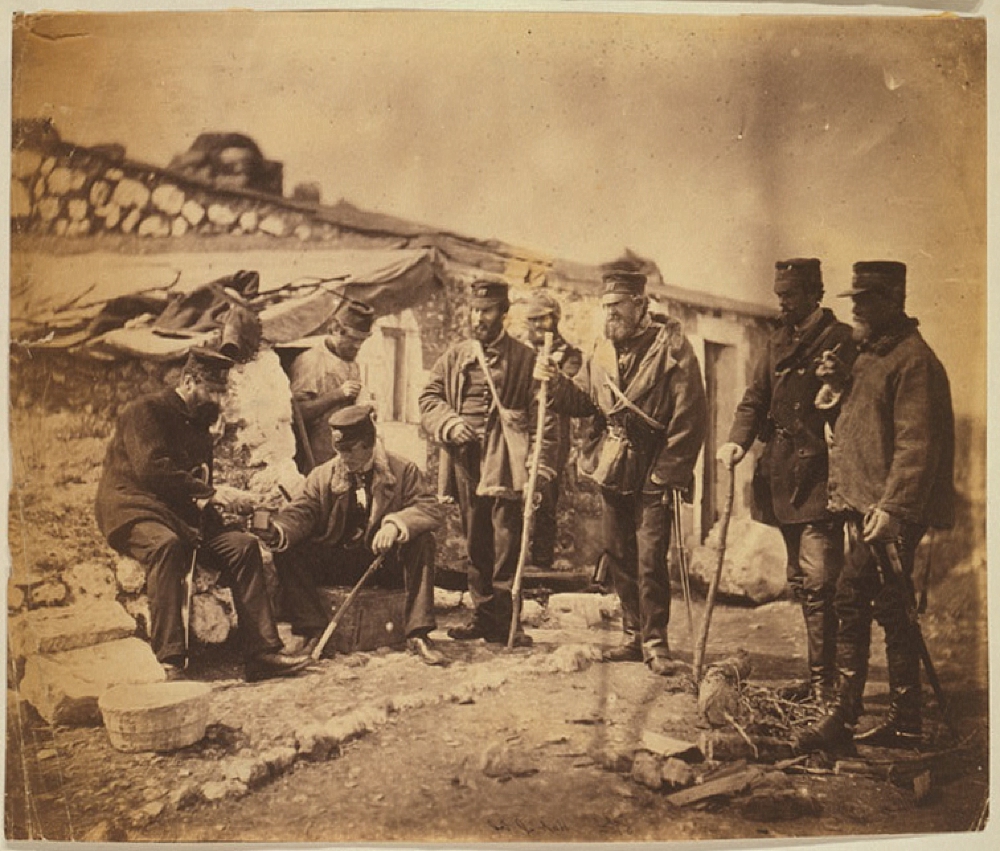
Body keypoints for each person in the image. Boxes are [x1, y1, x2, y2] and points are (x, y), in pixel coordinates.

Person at [795, 260, 955, 752]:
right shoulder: (871, 355)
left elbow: (916, 446)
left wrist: (892, 510)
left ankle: (841, 719)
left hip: (890, 512)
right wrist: (833, 389)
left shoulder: (914, 362)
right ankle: (906, 723)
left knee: (850, 596)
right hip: (864, 506)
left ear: (892, 303)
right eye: (855, 300)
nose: (857, 309)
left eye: (865, 300)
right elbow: (857, 417)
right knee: (890, 606)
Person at [95, 348, 312, 682]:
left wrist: (224, 508)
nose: (217, 399)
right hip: (134, 507)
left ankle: (262, 653)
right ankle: (170, 661)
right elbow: (152, 470)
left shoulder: (200, 427)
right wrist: (211, 493)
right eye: (211, 390)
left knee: (242, 546)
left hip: (178, 514)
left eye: (221, 391)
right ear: (187, 380)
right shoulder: (145, 411)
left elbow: (196, 484)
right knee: (167, 547)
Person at [535, 267, 707, 675]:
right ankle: (632, 636)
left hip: (655, 464)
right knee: (619, 552)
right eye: (606, 306)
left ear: (640, 305)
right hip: (615, 463)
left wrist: (669, 472)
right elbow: (585, 401)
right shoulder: (602, 350)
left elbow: (691, 416)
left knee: (650, 557)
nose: (610, 314)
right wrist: (554, 383)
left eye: (618, 306)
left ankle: (656, 641)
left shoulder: (673, 348)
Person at [717, 258, 855, 705]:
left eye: (790, 296)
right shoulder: (778, 340)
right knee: (801, 580)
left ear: (816, 293)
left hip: (819, 475)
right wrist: (737, 442)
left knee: (819, 584)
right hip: (782, 474)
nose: (782, 304)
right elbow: (754, 399)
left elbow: (852, 406)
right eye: (779, 296)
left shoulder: (841, 341)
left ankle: (826, 686)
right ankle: (819, 679)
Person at [419, 279, 551, 647]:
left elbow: (542, 412)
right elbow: (429, 396)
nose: (479, 317)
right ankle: (483, 615)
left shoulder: (525, 359)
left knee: (507, 541)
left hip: (507, 459)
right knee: (476, 541)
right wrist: (450, 422)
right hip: (466, 459)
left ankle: (509, 623)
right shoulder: (457, 355)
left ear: (504, 314)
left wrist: (538, 466)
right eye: (475, 310)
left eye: (488, 310)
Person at [260, 405, 446, 666]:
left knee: (423, 541)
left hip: (385, 563)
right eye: (338, 449)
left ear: (368, 444)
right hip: (341, 562)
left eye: (349, 450)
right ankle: (314, 631)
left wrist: (396, 525)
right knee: (289, 548)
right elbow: (303, 511)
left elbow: (429, 508)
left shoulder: (404, 470)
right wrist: (278, 530)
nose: (342, 457)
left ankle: (418, 634)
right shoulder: (324, 475)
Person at [521, 290, 583, 571]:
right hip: (522, 432)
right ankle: (514, 560)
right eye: (531, 321)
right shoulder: (521, 353)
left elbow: (568, 391)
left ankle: (542, 560)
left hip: (553, 437)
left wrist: (551, 373)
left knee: (545, 496)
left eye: (542, 320)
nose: (536, 327)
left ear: (554, 319)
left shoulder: (570, 355)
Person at [289, 299, 375, 468]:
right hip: (318, 460)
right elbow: (297, 413)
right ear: (335, 329)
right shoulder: (310, 361)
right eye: (352, 339)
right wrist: (337, 395)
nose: (357, 345)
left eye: (362, 340)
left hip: (347, 457)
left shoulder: (351, 362)